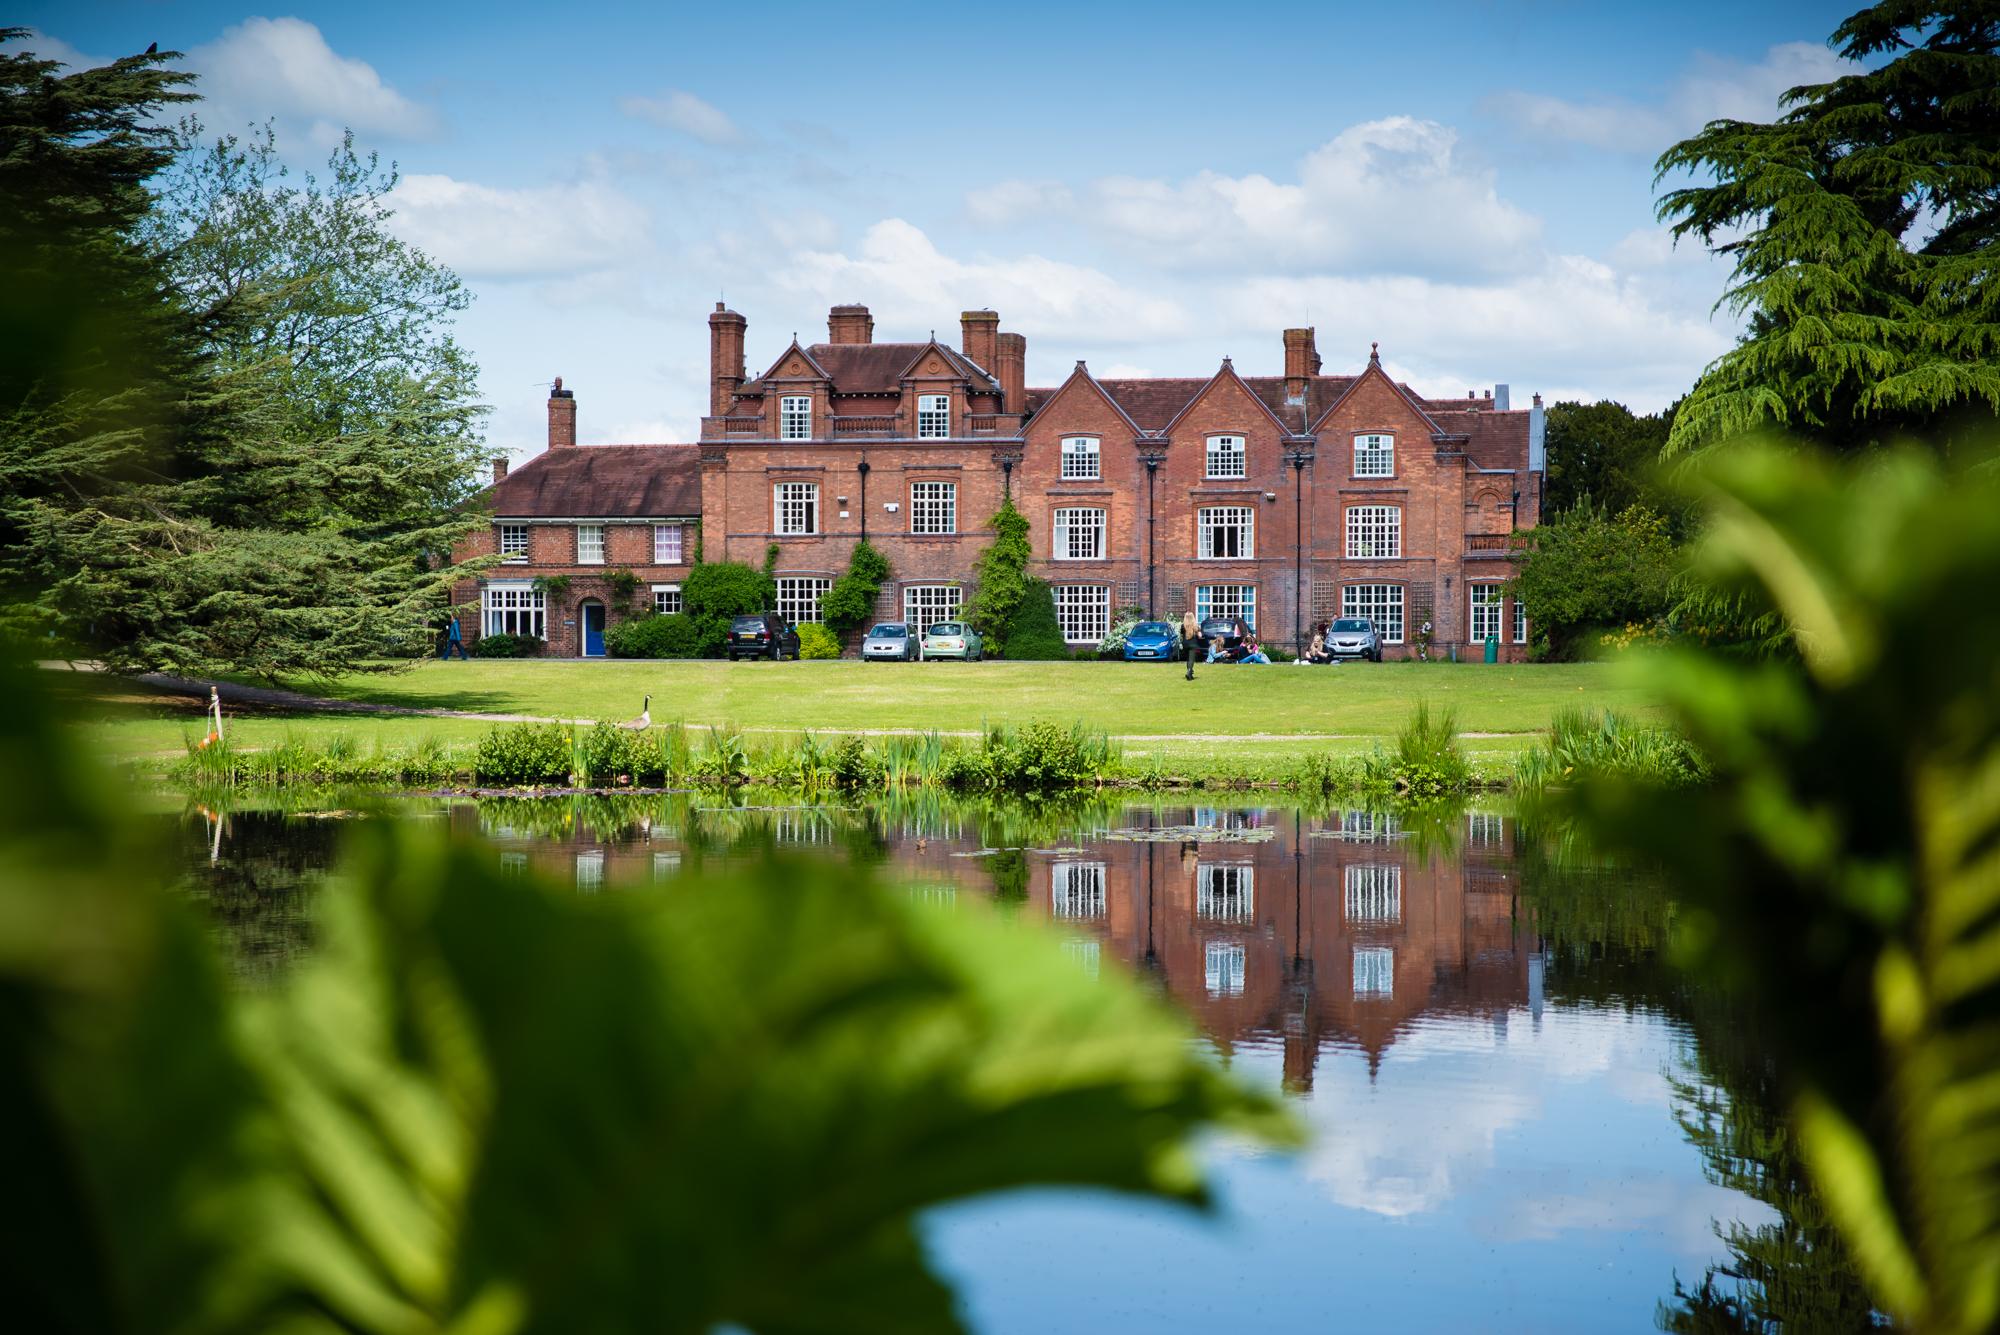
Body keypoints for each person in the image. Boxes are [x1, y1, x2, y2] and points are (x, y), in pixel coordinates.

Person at [1181, 609, 1201, 680]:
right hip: (1193, 644)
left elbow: (1181, 634)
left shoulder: (1183, 626)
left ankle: (1190, 674)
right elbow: (1200, 635)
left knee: (1188, 659)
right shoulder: (1195, 626)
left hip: (1185, 644)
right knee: (1191, 659)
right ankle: (1189, 671)